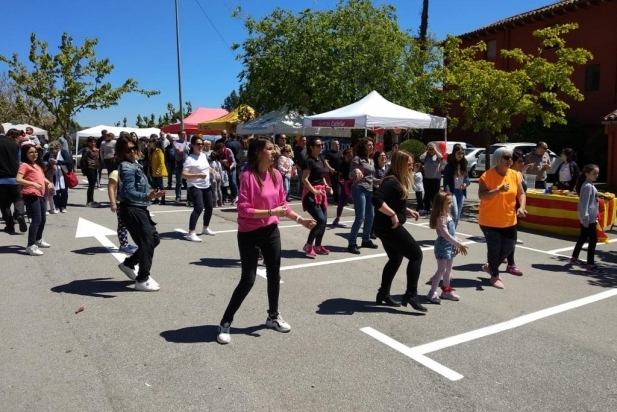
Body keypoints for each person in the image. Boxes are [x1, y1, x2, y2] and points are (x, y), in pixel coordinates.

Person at [216, 137, 316, 344]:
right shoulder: (247, 177)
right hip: (249, 233)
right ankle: (225, 322)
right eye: (270, 149)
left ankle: (273, 316)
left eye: (274, 149)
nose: (274, 152)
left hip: (271, 231)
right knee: (248, 279)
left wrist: (300, 220)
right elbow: (243, 210)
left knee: (273, 275)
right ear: (258, 152)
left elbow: (282, 205)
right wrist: (271, 211)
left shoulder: (277, 175)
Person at [371, 151, 426, 312]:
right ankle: (411, 294)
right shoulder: (392, 181)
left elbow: (392, 200)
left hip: (384, 227)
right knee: (416, 255)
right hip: (388, 228)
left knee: (395, 258)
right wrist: (393, 214)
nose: (411, 166)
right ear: (400, 163)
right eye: (408, 163)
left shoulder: (397, 180)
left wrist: (406, 209)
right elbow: (376, 199)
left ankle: (383, 294)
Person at [116, 136, 166, 291]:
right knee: (147, 242)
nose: (132, 151)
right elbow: (128, 191)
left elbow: (139, 187)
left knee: (154, 240)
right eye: (128, 150)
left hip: (140, 207)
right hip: (132, 209)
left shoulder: (134, 165)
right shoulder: (126, 167)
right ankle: (142, 279)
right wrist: (148, 196)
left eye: (134, 148)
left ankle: (129, 264)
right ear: (122, 152)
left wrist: (151, 193)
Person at [478, 147, 527, 289]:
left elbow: (521, 193)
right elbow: (482, 195)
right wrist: (498, 190)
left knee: (509, 247)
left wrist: (521, 207)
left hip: (509, 219)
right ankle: (495, 275)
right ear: (498, 159)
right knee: (495, 248)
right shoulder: (487, 176)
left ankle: (491, 266)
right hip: (489, 220)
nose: (510, 160)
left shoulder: (515, 175)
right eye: (506, 157)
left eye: (511, 157)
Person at [426, 191, 469, 303]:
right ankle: (432, 292)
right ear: (441, 204)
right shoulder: (441, 218)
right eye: (449, 203)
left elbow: (452, 234)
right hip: (443, 246)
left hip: (450, 245)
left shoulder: (448, 215)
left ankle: (446, 291)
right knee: (441, 270)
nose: (452, 204)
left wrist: (458, 241)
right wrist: (458, 244)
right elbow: (446, 235)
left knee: (448, 270)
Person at [16, 144, 54, 256]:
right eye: (31, 152)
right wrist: (33, 183)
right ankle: (30, 245)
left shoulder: (37, 165)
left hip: (40, 194)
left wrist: (48, 182)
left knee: (43, 219)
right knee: (36, 219)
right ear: (26, 154)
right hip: (30, 194)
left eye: (35, 152)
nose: (34, 154)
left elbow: (41, 177)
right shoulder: (24, 165)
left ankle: (38, 240)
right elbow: (18, 179)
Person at [569, 164, 605, 274]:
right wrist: (585, 219)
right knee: (593, 241)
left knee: (583, 238)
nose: (596, 175)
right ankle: (590, 264)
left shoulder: (588, 185)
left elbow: (590, 202)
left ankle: (574, 258)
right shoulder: (588, 186)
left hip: (589, 218)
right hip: (589, 219)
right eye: (594, 173)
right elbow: (584, 204)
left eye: (597, 173)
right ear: (587, 174)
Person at [301, 137, 332, 258]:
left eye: (321, 145)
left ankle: (317, 246)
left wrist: (326, 186)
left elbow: (321, 175)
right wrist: (314, 191)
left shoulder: (321, 159)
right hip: (310, 194)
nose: (321, 147)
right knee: (321, 220)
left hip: (321, 193)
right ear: (311, 147)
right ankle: (308, 245)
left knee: (324, 222)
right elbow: (304, 179)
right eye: (318, 145)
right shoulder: (309, 161)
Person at [347, 137, 378, 254]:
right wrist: (355, 172)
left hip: (370, 190)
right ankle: (352, 243)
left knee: (371, 216)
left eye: (372, 145)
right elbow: (350, 176)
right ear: (363, 146)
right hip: (359, 188)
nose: (371, 147)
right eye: (369, 145)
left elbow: (371, 178)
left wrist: (380, 180)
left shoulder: (371, 160)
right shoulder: (357, 159)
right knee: (360, 217)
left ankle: (366, 240)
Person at [182, 135, 215, 241]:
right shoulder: (189, 159)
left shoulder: (203, 156)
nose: (200, 146)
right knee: (199, 208)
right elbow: (184, 174)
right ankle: (191, 232)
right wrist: (197, 175)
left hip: (206, 185)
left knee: (209, 206)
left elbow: (205, 166)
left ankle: (205, 227)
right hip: (195, 186)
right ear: (192, 145)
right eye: (198, 144)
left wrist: (211, 170)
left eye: (202, 144)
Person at [0, 128, 28, 234]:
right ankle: (20, 214)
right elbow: (19, 162)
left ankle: (10, 225)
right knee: (18, 199)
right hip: (14, 178)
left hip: (1, 180)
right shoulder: (15, 145)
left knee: (4, 204)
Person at [108, 157, 138, 254]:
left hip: (127, 201)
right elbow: (111, 188)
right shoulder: (115, 173)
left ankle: (126, 243)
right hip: (119, 202)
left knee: (127, 224)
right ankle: (123, 245)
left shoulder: (124, 173)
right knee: (122, 224)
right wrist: (113, 203)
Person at [442, 144, 470, 227]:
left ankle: (452, 234)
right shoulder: (449, 166)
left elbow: (467, 178)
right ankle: (449, 234)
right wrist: (448, 193)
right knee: (455, 213)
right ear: (454, 153)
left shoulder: (464, 164)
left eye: (462, 153)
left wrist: (466, 183)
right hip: (452, 192)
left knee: (457, 215)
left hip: (461, 192)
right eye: (458, 153)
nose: (460, 155)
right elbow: (446, 181)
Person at [44, 141, 73, 213]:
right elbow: (43, 161)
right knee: (55, 191)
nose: (53, 152)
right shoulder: (48, 154)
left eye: (54, 150)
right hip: (52, 175)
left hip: (63, 174)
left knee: (64, 191)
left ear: (58, 149)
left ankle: (63, 206)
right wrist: (47, 164)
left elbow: (69, 161)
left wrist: (57, 162)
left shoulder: (63, 152)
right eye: (51, 150)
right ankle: (57, 206)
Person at [331, 148, 353, 228]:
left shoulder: (354, 164)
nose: (350, 157)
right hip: (345, 185)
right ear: (344, 156)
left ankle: (363, 219)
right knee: (341, 203)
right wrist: (340, 180)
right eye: (348, 156)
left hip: (353, 184)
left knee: (358, 203)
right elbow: (340, 175)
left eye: (351, 155)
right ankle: (338, 217)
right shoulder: (342, 164)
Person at [419, 142, 443, 213]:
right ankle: (427, 208)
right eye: (430, 149)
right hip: (427, 178)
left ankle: (435, 209)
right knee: (427, 194)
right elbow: (421, 158)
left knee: (435, 195)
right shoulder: (426, 156)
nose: (431, 150)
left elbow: (441, 157)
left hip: (436, 178)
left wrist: (435, 150)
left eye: (432, 149)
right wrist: (427, 151)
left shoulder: (437, 156)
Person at [80, 136, 100, 207]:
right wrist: (84, 170)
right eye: (91, 142)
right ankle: (89, 201)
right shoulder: (86, 149)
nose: (93, 143)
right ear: (88, 142)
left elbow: (97, 159)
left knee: (93, 185)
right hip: (89, 168)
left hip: (94, 168)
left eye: (94, 142)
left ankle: (91, 200)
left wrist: (96, 152)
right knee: (91, 185)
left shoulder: (94, 150)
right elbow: (83, 160)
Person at [149, 138, 167, 205]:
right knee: (155, 186)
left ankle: (163, 198)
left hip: (158, 172)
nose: (150, 144)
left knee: (160, 185)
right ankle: (156, 198)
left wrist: (158, 170)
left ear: (154, 143)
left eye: (151, 142)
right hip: (154, 171)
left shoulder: (159, 151)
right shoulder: (152, 151)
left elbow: (161, 162)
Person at [173, 130, 189, 204]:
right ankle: (178, 197)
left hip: (187, 164)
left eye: (185, 134)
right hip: (179, 164)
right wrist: (186, 150)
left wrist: (184, 150)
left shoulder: (187, 143)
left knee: (188, 181)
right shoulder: (176, 143)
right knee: (179, 182)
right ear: (179, 135)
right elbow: (179, 151)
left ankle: (189, 198)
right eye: (182, 134)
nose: (184, 136)